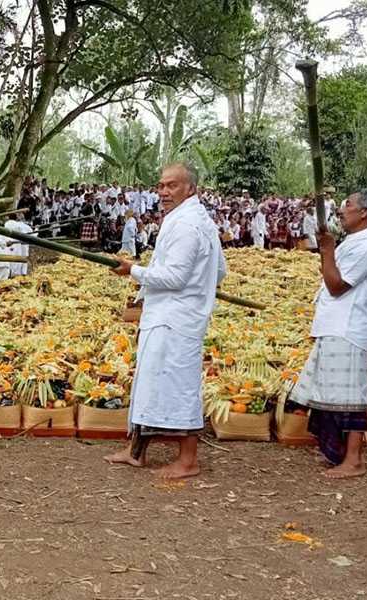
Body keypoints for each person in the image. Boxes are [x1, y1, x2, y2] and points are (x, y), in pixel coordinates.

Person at [106, 162, 226, 479]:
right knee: (150, 381)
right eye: (161, 186)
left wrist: (132, 270)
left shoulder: (188, 224)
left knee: (179, 386)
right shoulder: (191, 219)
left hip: (177, 318)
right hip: (168, 314)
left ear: (191, 188)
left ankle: (188, 460)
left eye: (172, 186)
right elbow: (220, 272)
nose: (163, 192)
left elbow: (174, 276)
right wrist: (201, 285)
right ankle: (136, 451)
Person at [288, 190, 367, 478]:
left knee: (351, 397)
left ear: (364, 212)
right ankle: (339, 453)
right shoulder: (357, 240)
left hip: (349, 326)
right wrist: (329, 249)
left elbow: (337, 285)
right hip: (337, 324)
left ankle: (354, 460)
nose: (342, 210)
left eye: (347, 205)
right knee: (333, 392)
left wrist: (327, 251)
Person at [4, 212, 32, 277]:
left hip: (8, 243)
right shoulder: (18, 225)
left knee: (10, 259)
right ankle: (17, 274)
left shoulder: (6, 224)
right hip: (17, 243)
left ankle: (10, 274)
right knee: (17, 260)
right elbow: (24, 234)